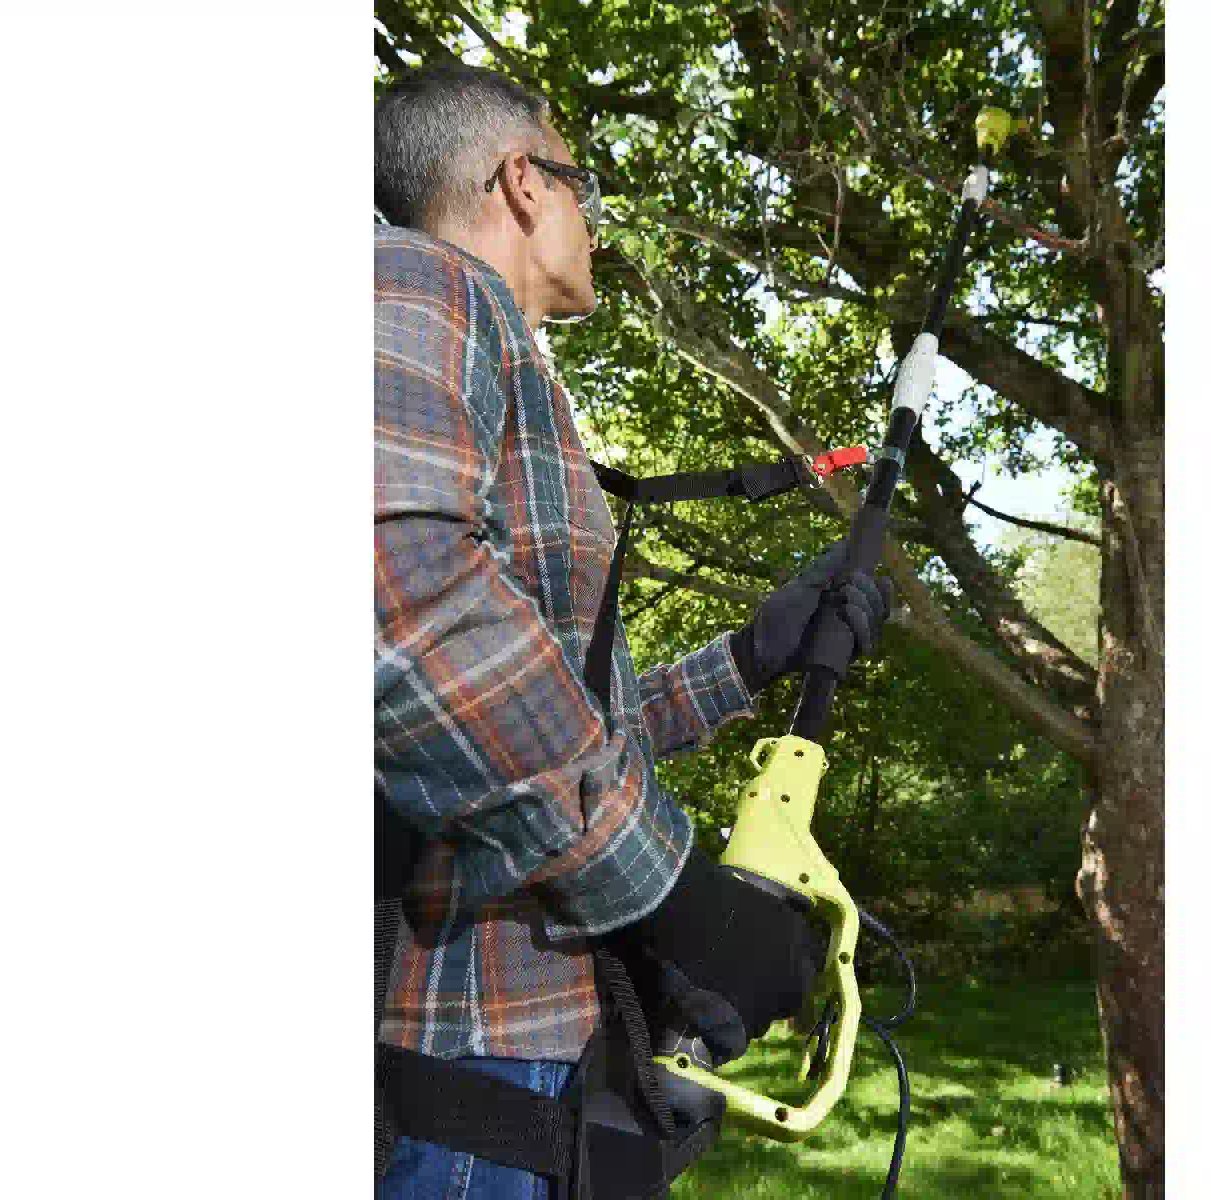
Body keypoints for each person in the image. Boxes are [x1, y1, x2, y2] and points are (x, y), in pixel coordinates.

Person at [374, 63, 892, 1199]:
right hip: (469, 1074)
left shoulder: (500, 363)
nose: (594, 221)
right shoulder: (421, 280)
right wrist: (678, 899)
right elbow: (397, 601)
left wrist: (753, 657)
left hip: (537, 1077)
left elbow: (549, 713)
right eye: (583, 185)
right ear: (523, 182)